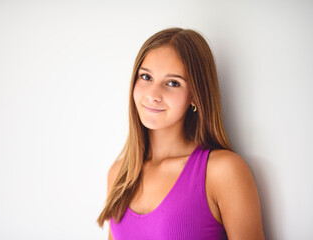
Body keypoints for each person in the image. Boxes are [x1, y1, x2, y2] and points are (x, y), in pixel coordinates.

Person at [96, 28, 264, 240]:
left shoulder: (222, 172)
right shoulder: (120, 174)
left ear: (195, 95)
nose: (153, 94)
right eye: (146, 77)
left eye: (173, 83)